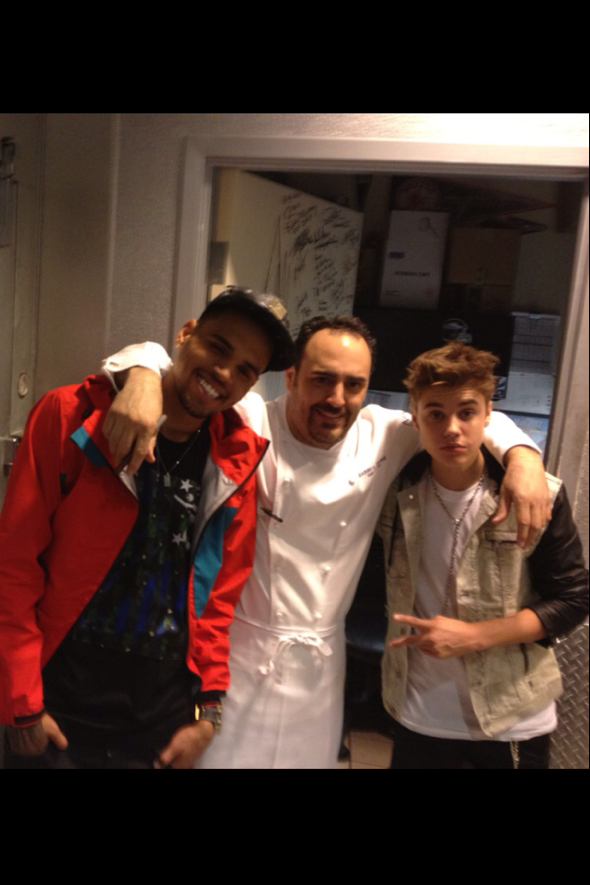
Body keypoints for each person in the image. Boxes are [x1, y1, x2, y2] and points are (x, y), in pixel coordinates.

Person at [101, 315, 552, 768]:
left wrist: (524, 457)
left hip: (321, 672)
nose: (336, 398)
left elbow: (469, 415)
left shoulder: (385, 436)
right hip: (238, 659)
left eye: (353, 385)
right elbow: (169, 370)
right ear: (291, 377)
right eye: (321, 379)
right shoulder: (251, 419)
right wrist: (142, 377)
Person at [0, 287, 294, 769]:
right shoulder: (71, 415)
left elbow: (217, 602)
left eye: (246, 370)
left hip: (160, 727)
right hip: (57, 711)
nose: (225, 373)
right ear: (185, 334)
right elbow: (15, 565)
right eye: (218, 347)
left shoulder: (235, 465)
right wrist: (19, 698)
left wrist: (208, 713)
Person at [378, 342, 588, 769]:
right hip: (417, 712)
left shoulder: (537, 495)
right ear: (415, 415)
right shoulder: (393, 492)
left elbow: (574, 599)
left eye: (467, 412)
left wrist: (475, 636)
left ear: (489, 414)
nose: (452, 428)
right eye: (436, 413)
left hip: (511, 717)